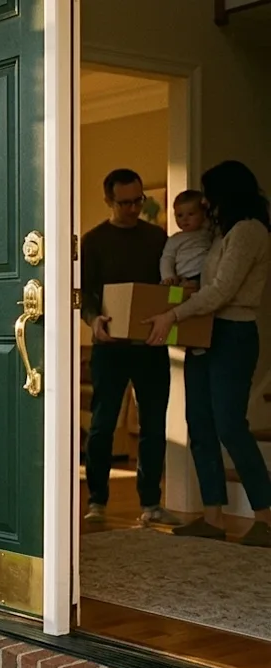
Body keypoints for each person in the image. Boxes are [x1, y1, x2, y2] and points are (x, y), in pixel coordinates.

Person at [142, 160, 271, 546]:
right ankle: (213, 518)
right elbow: (207, 285)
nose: (208, 205)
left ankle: (265, 517)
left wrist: (173, 315)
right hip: (207, 334)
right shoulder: (221, 234)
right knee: (199, 425)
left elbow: (222, 292)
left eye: (211, 195)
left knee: (230, 425)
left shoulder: (249, 232)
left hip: (233, 335)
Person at [81, 168, 180, 526]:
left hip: (151, 344)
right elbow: (87, 294)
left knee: (154, 425)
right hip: (109, 347)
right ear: (109, 200)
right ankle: (97, 501)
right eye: (125, 203)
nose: (133, 208)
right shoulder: (94, 241)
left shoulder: (158, 238)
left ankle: (151, 504)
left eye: (139, 200)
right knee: (103, 425)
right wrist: (93, 319)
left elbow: (168, 289)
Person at [160, 189, 215, 288]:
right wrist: (168, 276)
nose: (185, 219)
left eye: (191, 214)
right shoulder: (175, 239)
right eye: (180, 215)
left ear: (203, 214)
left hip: (203, 276)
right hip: (181, 278)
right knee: (174, 299)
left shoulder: (207, 232)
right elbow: (167, 259)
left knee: (198, 296)